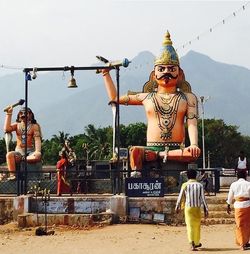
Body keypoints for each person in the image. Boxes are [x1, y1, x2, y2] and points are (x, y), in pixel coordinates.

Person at [100, 31, 200, 176]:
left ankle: (159, 156)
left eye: (171, 69)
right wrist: (105, 74)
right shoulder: (146, 97)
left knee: (193, 152)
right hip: (151, 147)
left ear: (180, 73)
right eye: (161, 69)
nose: (166, 72)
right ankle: (138, 174)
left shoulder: (188, 98)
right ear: (154, 74)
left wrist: (194, 144)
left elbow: (192, 123)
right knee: (134, 151)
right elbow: (115, 98)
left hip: (177, 148)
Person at [3, 106, 42, 180]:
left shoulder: (34, 126)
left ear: (30, 115)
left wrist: (37, 151)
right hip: (19, 151)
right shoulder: (17, 125)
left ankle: (23, 159)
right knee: (9, 155)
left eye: (25, 113)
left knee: (38, 156)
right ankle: (13, 175)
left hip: (30, 151)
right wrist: (9, 114)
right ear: (18, 115)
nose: (23, 115)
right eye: (21, 113)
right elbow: (7, 129)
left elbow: (37, 140)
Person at [175, 169, 209, 251]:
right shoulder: (200, 185)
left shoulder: (185, 185)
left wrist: (177, 206)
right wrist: (206, 209)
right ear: (196, 176)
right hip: (197, 208)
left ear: (187, 176)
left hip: (188, 208)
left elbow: (180, 197)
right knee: (197, 226)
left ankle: (192, 243)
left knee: (189, 226)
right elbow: (203, 199)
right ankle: (197, 242)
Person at [226, 170, 250, 251]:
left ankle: (242, 243)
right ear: (246, 175)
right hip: (248, 205)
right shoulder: (248, 184)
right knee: (247, 225)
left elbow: (230, 196)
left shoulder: (233, 184)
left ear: (237, 176)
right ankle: (245, 242)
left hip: (238, 206)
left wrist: (228, 205)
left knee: (239, 225)